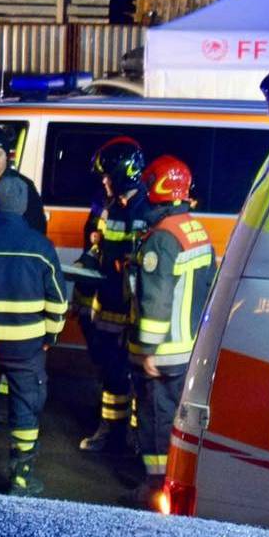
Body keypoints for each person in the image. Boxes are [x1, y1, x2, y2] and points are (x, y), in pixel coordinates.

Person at [0, 175, 68, 496]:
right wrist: (50, 337)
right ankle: (22, 479)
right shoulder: (41, 247)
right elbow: (59, 301)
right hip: (27, 348)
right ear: (23, 206)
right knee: (25, 407)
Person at [126, 155, 214, 505]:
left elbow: (156, 300)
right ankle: (173, 486)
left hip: (162, 354)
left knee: (158, 422)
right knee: (178, 421)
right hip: (188, 349)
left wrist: (148, 350)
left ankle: (156, 491)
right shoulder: (196, 230)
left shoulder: (162, 239)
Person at [79, 137, 147, 453]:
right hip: (108, 306)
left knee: (134, 376)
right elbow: (99, 247)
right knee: (110, 371)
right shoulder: (111, 207)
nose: (104, 181)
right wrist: (88, 260)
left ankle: (135, 438)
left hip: (132, 312)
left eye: (108, 175)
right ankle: (111, 430)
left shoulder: (145, 210)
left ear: (123, 174)